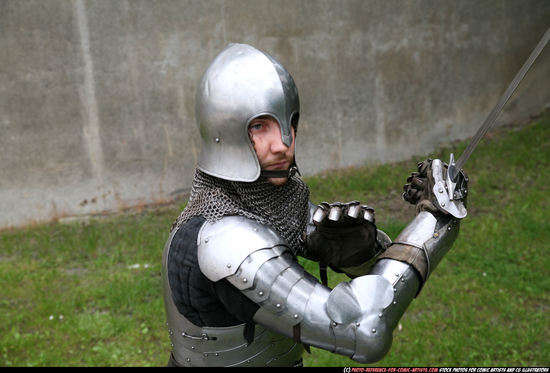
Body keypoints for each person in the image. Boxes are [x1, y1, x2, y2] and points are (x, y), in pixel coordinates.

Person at [161, 43, 468, 367]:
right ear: (225, 132)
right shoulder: (229, 243)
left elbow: (370, 280)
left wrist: (359, 253)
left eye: (287, 123)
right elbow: (363, 333)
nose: (283, 144)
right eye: (260, 126)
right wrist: (436, 220)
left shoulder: (268, 203)